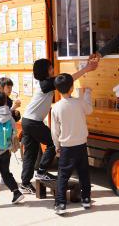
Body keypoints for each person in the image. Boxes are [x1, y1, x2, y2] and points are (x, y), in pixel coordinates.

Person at [19, 58, 97, 194]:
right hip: (33, 122)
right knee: (51, 144)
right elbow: (67, 80)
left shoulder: (44, 83)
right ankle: (41, 171)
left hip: (27, 120)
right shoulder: (45, 84)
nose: (53, 70)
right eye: (50, 68)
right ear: (46, 71)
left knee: (30, 154)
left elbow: (65, 80)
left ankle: (25, 183)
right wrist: (86, 69)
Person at [51, 74, 93, 215]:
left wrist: (57, 146)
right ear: (72, 88)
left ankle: (61, 204)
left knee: (63, 176)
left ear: (57, 90)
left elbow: (54, 131)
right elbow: (89, 109)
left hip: (66, 146)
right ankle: (86, 199)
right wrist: (87, 92)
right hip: (81, 144)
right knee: (84, 173)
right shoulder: (79, 102)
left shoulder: (56, 107)